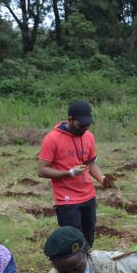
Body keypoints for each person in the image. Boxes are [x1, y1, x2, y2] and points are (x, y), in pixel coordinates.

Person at [37, 100, 114, 247]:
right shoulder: (52, 139)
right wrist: (70, 173)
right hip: (67, 201)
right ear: (70, 120)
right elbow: (41, 170)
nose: (84, 129)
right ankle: (74, 268)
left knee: (89, 239)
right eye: (81, 125)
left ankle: (86, 267)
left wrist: (102, 178)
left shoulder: (89, 137)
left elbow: (90, 163)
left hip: (88, 196)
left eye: (87, 125)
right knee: (74, 242)